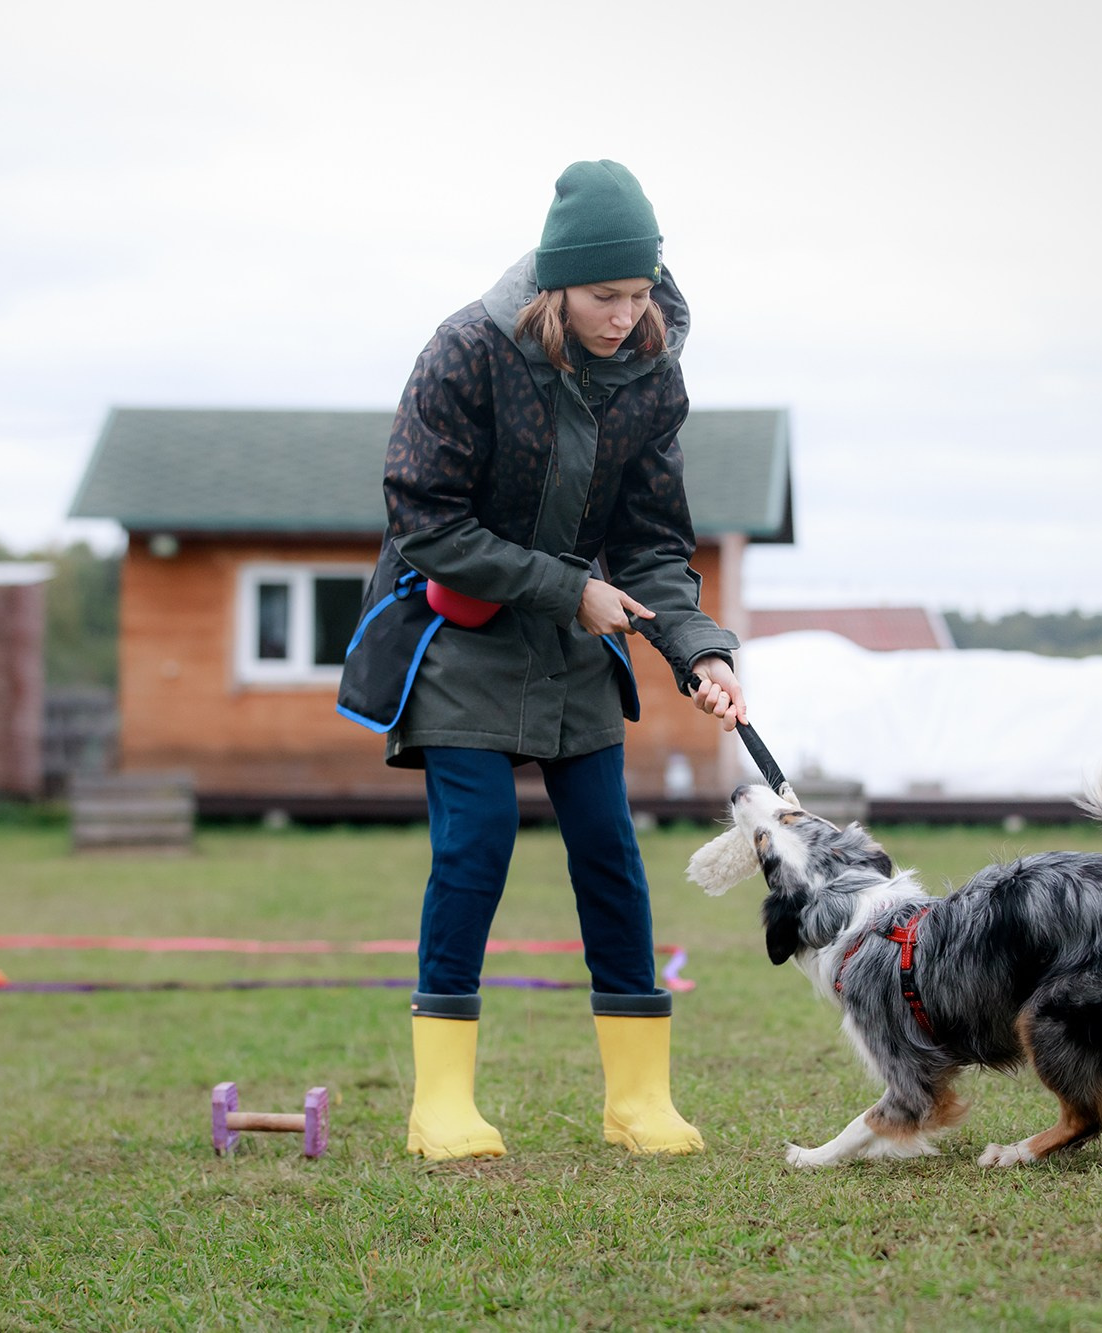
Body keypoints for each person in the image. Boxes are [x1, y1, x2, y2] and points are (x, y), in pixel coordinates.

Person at [336, 159, 748, 1160]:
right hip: (460, 631)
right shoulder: (464, 352)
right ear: (556, 283)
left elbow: (652, 539)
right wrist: (570, 590)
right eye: (605, 295)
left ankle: (638, 1100)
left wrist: (697, 648)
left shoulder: (652, 371)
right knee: (474, 845)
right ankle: (440, 1104)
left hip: (572, 642)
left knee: (608, 850)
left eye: (640, 292)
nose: (626, 315)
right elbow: (426, 521)